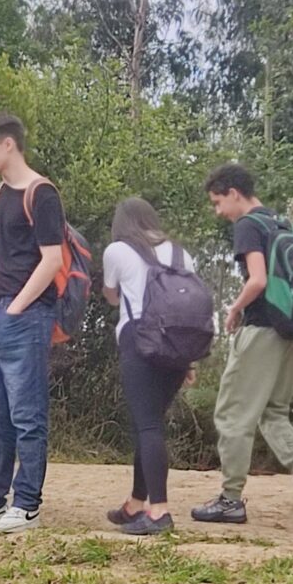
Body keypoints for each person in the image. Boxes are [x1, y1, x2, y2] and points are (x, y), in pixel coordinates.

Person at [194, 164, 293, 524]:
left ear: (234, 193)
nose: (219, 211)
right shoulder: (281, 224)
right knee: (273, 412)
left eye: (218, 202)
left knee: (233, 414)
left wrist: (235, 308)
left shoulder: (248, 225)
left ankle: (230, 500)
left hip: (262, 332)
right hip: (289, 332)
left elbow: (259, 281)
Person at [0, 113, 64, 534]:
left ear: (9, 144)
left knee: (27, 416)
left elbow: (52, 260)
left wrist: (16, 309)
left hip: (26, 317)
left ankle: (26, 505)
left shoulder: (42, 193)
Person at [102, 199, 198, 536]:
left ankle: (159, 512)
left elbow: (111, 295)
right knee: (149, 423)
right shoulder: (182, 254)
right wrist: (188, 359)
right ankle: (135, 503)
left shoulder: (117, 250)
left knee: (147, 425)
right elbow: (188, 305)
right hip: (178, 343)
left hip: (140, 339)